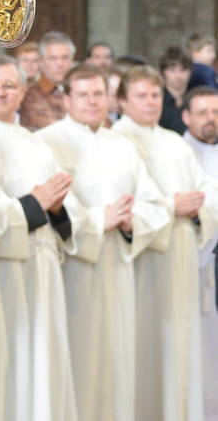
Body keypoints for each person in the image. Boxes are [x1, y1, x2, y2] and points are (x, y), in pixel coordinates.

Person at [36, 64, 169, 421]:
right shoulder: (48, 141)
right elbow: (51, 206)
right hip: (73, 272)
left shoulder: (122, 145)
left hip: (120, 272)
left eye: (98, 93)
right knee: (78, 363)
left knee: (117, 364)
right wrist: (98, 220)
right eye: (83, 94)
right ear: (67, 98)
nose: (92, 101)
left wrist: (130, 221)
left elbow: (152, 203)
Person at [0, 55, 81, 421]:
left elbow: (71, 212)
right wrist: (36, 204)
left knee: (44, 369)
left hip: (45, 273)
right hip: (5, 277)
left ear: (23, 92)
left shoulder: (38, 145)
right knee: (12, 370)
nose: (1, 92)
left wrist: (56, 209)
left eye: (9, 85)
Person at [112, 66, 218, 421]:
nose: (150, 102)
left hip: (183, 256)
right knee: (147, 346)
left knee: (180, 346)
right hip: (145, 261)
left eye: (156, 95)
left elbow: (206, 193)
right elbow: (124, 200)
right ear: (123, 100)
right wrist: (173, 206)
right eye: (141, 95)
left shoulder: (174, 141)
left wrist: (196, 209)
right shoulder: (117, 140)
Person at [180, 87, 218, 421]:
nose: (212, 119)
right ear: (186, 117)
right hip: (198, 262)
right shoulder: (178, 154)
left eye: (216, 112)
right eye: (203, 112)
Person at [18, 31, 75, 131]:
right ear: (41, 62)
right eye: (52, 58)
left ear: (72, 60)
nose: (59, 64)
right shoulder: (26, 94)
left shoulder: (81, 91)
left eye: (65, 57)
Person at [159, 46, 193, 134]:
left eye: (183, 70)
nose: (178, 76)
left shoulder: (195, 100)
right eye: (172, 70)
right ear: (163, 72)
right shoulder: (156, 101)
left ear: (190, 71)